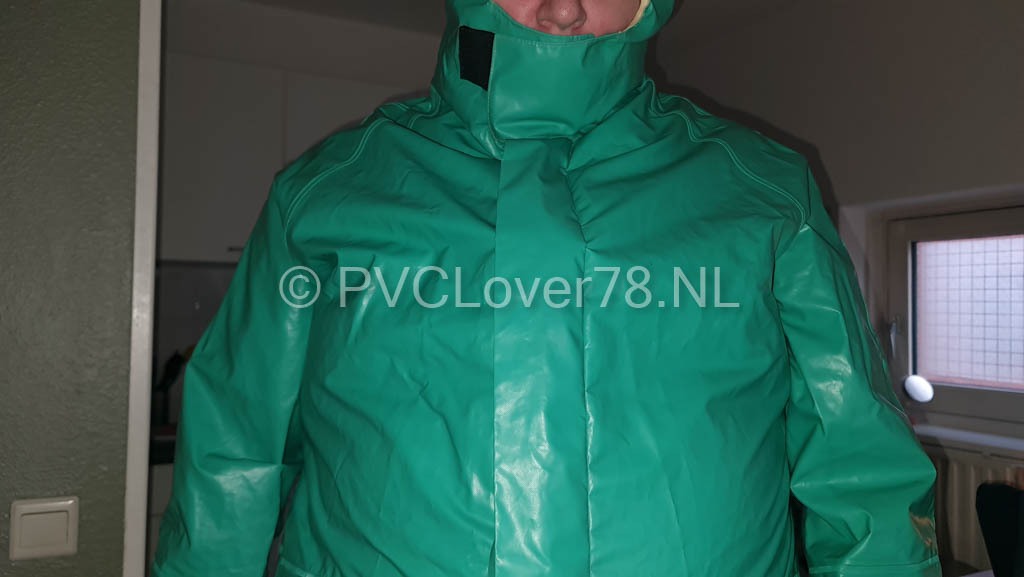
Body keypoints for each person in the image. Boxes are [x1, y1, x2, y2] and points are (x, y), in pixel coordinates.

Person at [152, 0, 941, 576]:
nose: (563, 10)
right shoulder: (326, 198)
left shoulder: (763, 197)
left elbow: (861, 470)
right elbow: (234, 456)